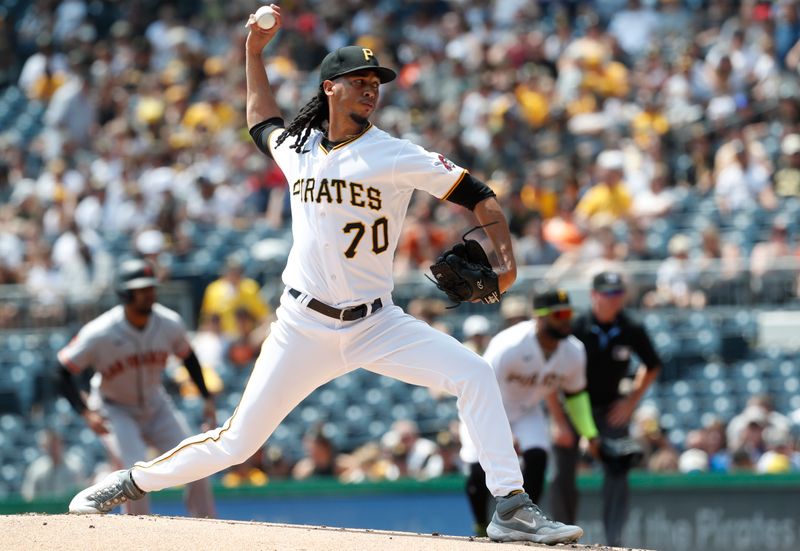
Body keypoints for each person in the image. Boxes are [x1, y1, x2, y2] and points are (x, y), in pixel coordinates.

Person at [68, 7, 583, 545]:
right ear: (329, 88)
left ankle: (511, 506)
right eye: (359, 82)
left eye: (375, 84)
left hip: (377, 324)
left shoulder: (394, 154)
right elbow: (260, 120)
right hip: (302, 325)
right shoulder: (298, 148)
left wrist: (507, 258)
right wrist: (252, 52)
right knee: (237, 443)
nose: (370, 91)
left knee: (474, 375)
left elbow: (478, 195)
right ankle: (129, 482)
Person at [58, 257, 216, 517]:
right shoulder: (100, 332)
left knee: (195, 461)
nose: (147, 294)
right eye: (140, 290)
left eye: (150, 288)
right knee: (134, 472)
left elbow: (188, 356)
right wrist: (86, 412)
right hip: (115, 408)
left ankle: (209, 527)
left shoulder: (169, 323)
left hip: (156, 403)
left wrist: (207, 397)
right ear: (124, 293)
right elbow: (61, 371)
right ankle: (136, 533)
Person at [460, 289, 600, 537]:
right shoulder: (509, 344)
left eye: (569, 313)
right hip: (485, 407)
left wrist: (589, 432)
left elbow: (575, 394)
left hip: (527, 410)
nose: (566, 319)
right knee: (476, 469)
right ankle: (481, 527)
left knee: (537, 457)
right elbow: (481, 387)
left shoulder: (574, 351)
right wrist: (502, 434)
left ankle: (525, 525)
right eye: (559, 314)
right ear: (540, 317)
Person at [549, 271, 661, 547]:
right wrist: (558, 420)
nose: (614, 299)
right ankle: (561, 536)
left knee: (618, 467)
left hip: (610, 407)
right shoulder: (576, 326)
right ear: (594, 295)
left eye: (619, 293)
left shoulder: (630, 327)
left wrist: (631, 401)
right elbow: (549, 373)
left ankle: (614, 541)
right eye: (608, 293)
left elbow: (653, 364)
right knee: (562, 472)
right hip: (572, 406)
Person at [21, 429, 85, 501]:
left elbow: (81, 493)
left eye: (55, 445)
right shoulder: (36, 469)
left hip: (69, 509)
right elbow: (28, 497)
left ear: (61, 444)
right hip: (42, 509)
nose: (53, 449)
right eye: (49, 446)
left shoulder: (74, 466)